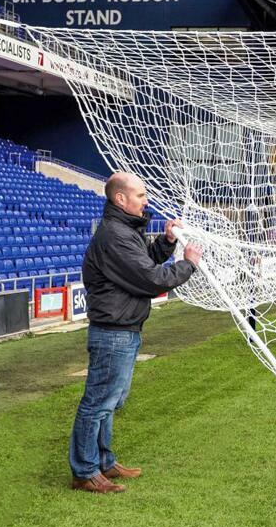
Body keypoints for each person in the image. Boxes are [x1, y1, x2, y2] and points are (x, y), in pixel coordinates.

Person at [69, 172, 203, 494]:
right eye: (141, 195)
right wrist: (188, 264)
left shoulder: (124, 230)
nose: (146, 201)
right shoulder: (115, 235)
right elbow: (151, 279)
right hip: (113, 332)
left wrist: (167, 242)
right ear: (121, 199)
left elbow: (143, 262)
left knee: (110, 401)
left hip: (124, 329)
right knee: (98, 402)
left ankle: (104, 461)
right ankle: (85, 471)